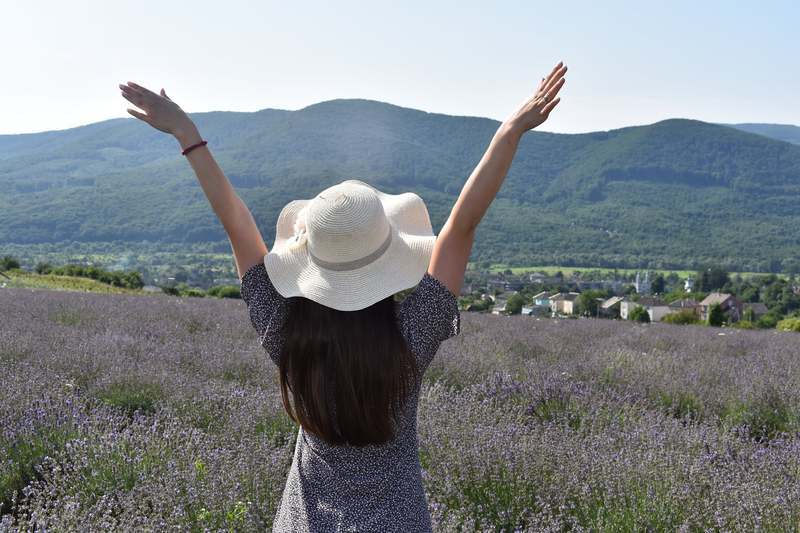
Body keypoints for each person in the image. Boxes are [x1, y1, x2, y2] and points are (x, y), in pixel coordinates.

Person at [119, 60, 566, 532]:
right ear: (386, 256)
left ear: (311, 262)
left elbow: (236, 223)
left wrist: (187, 134)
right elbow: (461, 226)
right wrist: (510, 132)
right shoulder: (413, 335)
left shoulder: (284, 331)